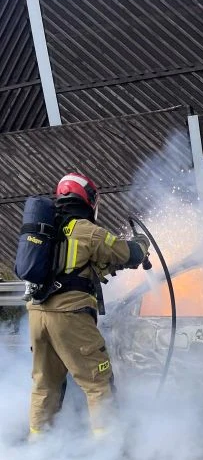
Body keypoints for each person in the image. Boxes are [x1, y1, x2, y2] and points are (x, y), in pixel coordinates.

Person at [27, 173, 149, 440]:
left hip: (37, 313)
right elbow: (128, 254)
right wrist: (142, 244)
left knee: (45, 383)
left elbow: (74, 267)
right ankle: (109, 447)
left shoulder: (46, 230)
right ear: (88, 199)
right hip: (68, 316)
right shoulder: (85, 230)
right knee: (97, 381)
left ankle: (38, 443)